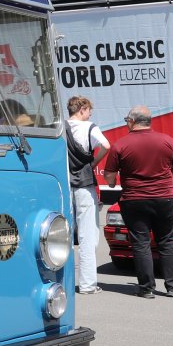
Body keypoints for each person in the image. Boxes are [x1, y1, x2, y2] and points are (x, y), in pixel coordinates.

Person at [103, 106, 173, 299]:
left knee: (141, 243)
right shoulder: (167, 140)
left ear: (132, 121)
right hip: (164, 198)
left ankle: (146, 288)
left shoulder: (120, 145)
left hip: (134, 200)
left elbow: (109, 175)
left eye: (126, 120)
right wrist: (166, 180)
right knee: (167, 241)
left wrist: (112, 184)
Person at [66, 96, 109, 295]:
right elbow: (106, 145)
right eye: (89, 110)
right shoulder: (89, 127)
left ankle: (64, 283)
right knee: (87, 235)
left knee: (63, 234)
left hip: (65, 183)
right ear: (82, 109)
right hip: (84, 183)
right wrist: (93, 163)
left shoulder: (61, 127)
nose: (90, 114)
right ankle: (87, 284)